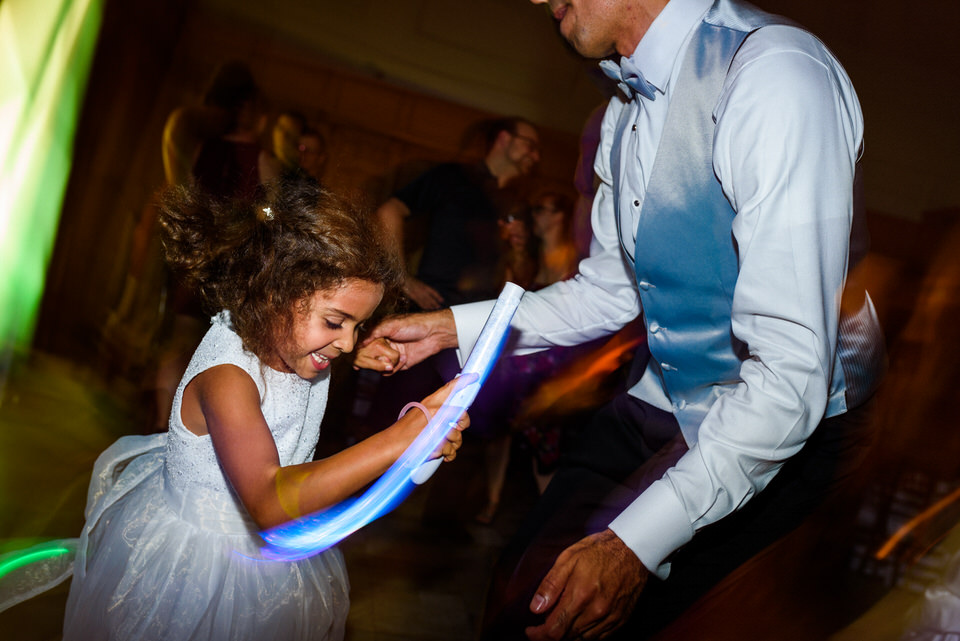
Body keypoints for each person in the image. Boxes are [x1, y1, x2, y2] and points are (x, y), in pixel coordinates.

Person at [354, 0, 887, 638]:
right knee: (527, 584)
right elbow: (610, 291)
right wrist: (450, 327)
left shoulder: (776, 78)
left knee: (608, 616)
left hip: (791, 422)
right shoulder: (624, 108)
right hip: (662, 392)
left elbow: (790, 377)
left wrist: (633, 545)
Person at [0, 179, 469, 640]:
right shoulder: (227, 378)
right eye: (336, 322)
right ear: (273, 294)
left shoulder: (288, 338)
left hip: (266, 565)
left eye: (359, 325)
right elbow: (268, 501)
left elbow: (303, 368)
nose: (347, 342)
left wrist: (352, 343)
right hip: (192, 569)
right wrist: (401, 438)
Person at [376, 116, 541, 311]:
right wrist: (402, 278)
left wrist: (519, 249)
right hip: (430, 309)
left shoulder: (520, 205)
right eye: (530, 145)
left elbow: (523, 277)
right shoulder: (452, 176)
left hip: (479, 317)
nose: (535, 156)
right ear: (504, 138)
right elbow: (389, 211)